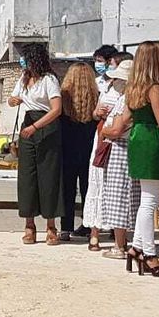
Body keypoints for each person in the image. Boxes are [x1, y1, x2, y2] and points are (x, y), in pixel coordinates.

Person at [112, 41, 159, 275]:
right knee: (150, 201)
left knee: (146, 199)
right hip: (152, 140)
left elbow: (123, 119)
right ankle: (149, 254)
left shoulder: (134, 87)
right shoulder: (155, 87)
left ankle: (137, 247)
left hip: (138, 138)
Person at [10, 42, 63, 245]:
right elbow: (12, 98)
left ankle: (51, 226)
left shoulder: (49, 80)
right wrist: (13, 100)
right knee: (27, 176)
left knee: (48, 176)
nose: (24, 62)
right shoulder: (23, 79)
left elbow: (56, 109)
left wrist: (36, 127)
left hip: (46, 126)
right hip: (27, 124)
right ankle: (29, 225)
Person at [83, 60, 131, 251]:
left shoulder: (129, 94)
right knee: (97, 182)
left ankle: (119, 235)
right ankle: (95, 232)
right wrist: (98, 112)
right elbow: (95, 112)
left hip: (117, 139)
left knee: (117, 188)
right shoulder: (109, 87)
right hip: (102, 137)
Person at [57, 63, 100, 239]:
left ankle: (65, 228)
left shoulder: (63, 98)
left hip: (67, 147)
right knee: (88, 189)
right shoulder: (96, 97)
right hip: (89, 147)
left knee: (67, 188)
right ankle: (88, 225)